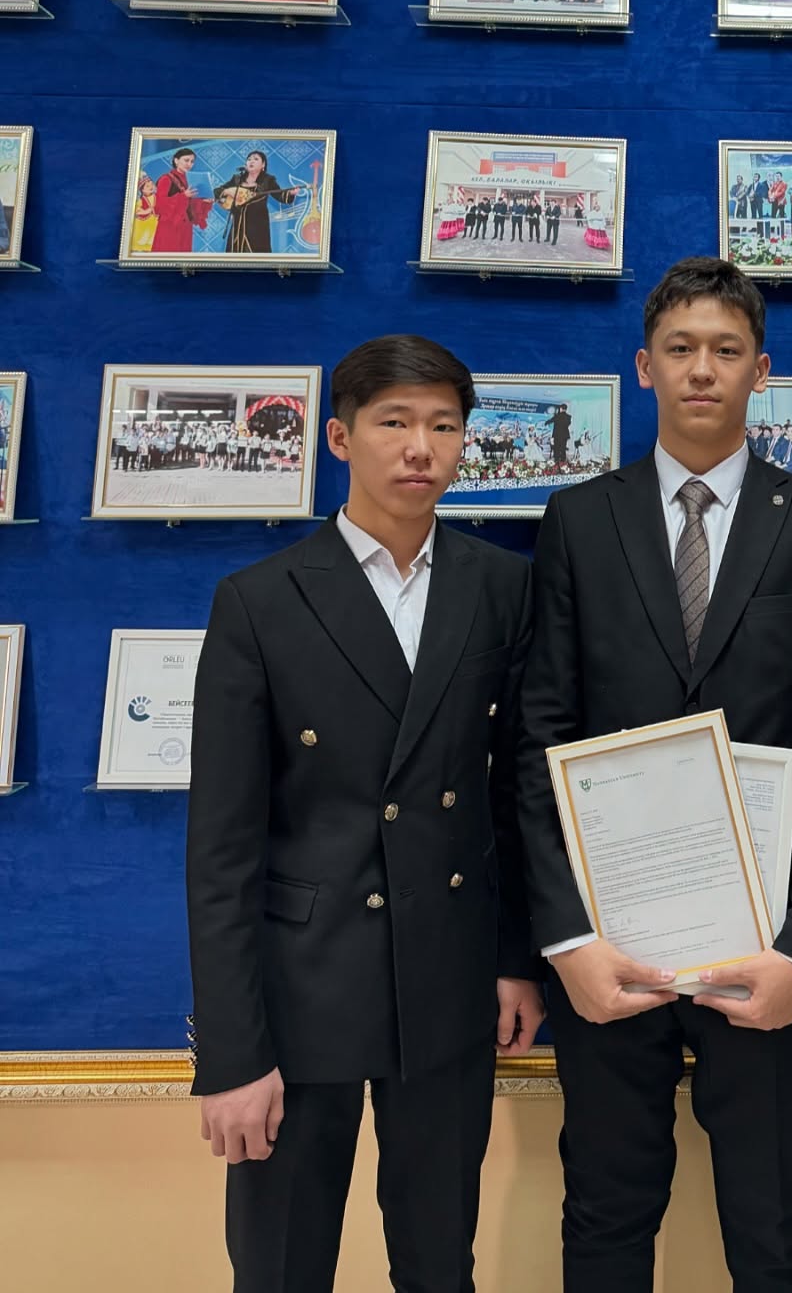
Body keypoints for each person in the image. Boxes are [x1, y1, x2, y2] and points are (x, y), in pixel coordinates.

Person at [517, 256, 792, 1293]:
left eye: (725, 350)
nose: (701, 370)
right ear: (644, 367)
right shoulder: (580, 519)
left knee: (776, 1214)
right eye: (679, 349)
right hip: (610, 946)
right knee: (606, 1208)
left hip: (760, 947)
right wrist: (569, 941)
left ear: (762, 369)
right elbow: (538, 740)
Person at [186, 334, 542, 1293]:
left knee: (440, 1262)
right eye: (394, 423)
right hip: (302, 990)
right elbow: (221, 851)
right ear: (340, 439)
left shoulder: (502, 587)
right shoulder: (259, 602)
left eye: (443, 426)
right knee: (281, 1266)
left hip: (450, 976)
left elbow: (515, 794)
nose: (420, 447)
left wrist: (516, 957)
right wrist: (231, 1055)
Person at [214, 150, 300, 255]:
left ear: (263, 164)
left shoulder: (267, 180)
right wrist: (227, 191)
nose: (251, 161)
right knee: (234, 256)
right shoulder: (237, 179)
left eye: (256, 159)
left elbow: (280, 195)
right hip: (237, 225)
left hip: (257, 226)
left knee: (256, 255)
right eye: (249, 159)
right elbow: (217, 191)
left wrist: (291, 193)